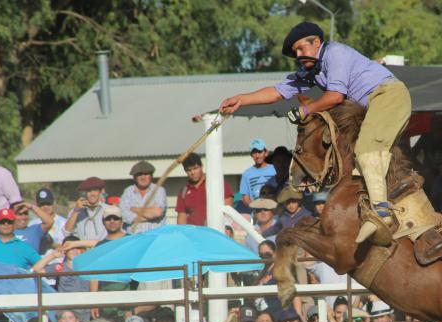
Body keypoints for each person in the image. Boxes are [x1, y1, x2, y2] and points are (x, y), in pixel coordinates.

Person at [220, 22, 411, 244]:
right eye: (295, 53)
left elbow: (335, 96)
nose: (298, 55)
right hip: (372, 108)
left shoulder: (335, 53)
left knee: (366, 151)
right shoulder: (311, 71)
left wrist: (304, 110)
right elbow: (276, 92)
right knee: (356, 160)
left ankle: (381, 216)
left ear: (317, 42)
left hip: (388, 96)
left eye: (301, 49)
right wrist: (241, 100)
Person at [33, 235, 92, 322]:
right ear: (65, 251)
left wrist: (76, 243)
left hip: (85, 309)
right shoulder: (60, 267)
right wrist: (53, 255)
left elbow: (100, 244)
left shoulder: (89, 265)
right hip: (66, 311)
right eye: (70, 248)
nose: (74, 251)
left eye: (78, 248)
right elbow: (37, 269)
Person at [176, 152, 234, 226]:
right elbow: (181, 218)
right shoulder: (184, 191)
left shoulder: (216, 184)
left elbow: (228, 209)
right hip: (193, 234)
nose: (192, 172)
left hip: (214, 231)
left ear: (202, 166)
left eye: (195, 168)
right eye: (189, 170)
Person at [119, 160, 167, 233]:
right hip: (133, 237)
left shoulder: (159, 190)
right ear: (134, 177)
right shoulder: (128, 191)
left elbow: (157, 212)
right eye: (139, 174)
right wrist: (148, 215)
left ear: (151, 176)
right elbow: (123, 215)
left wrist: (133, 209)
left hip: (154, 236)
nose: (143, 177)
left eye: (146, 174)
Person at [64, 176, 108, 241]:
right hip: (83, 249)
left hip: (103, 248)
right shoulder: (76, 210)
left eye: (95, 190)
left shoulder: (108, 209)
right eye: (89, 191)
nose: (92, 194)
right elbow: (66, 232)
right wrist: (76, 211)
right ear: (85, 193)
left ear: (100, 192)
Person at [239, 139, 276, 210]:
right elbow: (245, 198)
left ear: (266, 153)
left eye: (260, 152)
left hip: (274, 212)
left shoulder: (274, 169)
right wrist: (256, 209)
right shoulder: (246, 174)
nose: (257, 155)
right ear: (251, 155)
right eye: (254, 153)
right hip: (257, 213)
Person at [28, 188, 68, 252]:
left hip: (59, 260)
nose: (45, 207)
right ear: (37, 206)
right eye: (42, 204)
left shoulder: (64, 222)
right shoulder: (32, 224)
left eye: (48, 203)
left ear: (54, 203)